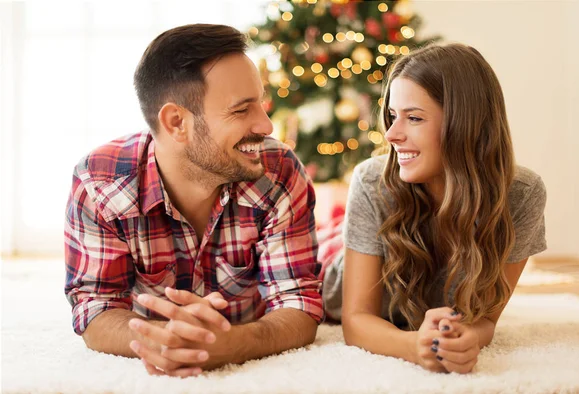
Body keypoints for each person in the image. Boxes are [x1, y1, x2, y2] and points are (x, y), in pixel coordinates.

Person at [64, 24, 323, 378]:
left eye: (260, 104)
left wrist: (236, 343)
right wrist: (158, 341)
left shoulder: (279, 171)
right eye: (241, 110)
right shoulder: (100, 183)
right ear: (176, 122)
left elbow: (300, 304)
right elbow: (95, 305)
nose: (266, 125)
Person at [320, 43, 547, 374]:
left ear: (465, 125)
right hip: (328, 264)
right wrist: (415, 346)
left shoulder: (521, 195)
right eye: (392, 116)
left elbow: (486, 319)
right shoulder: (371, 181)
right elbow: (356, 321)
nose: (392, 134)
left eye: (413, 118)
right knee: (322, 243)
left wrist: (464, 336)